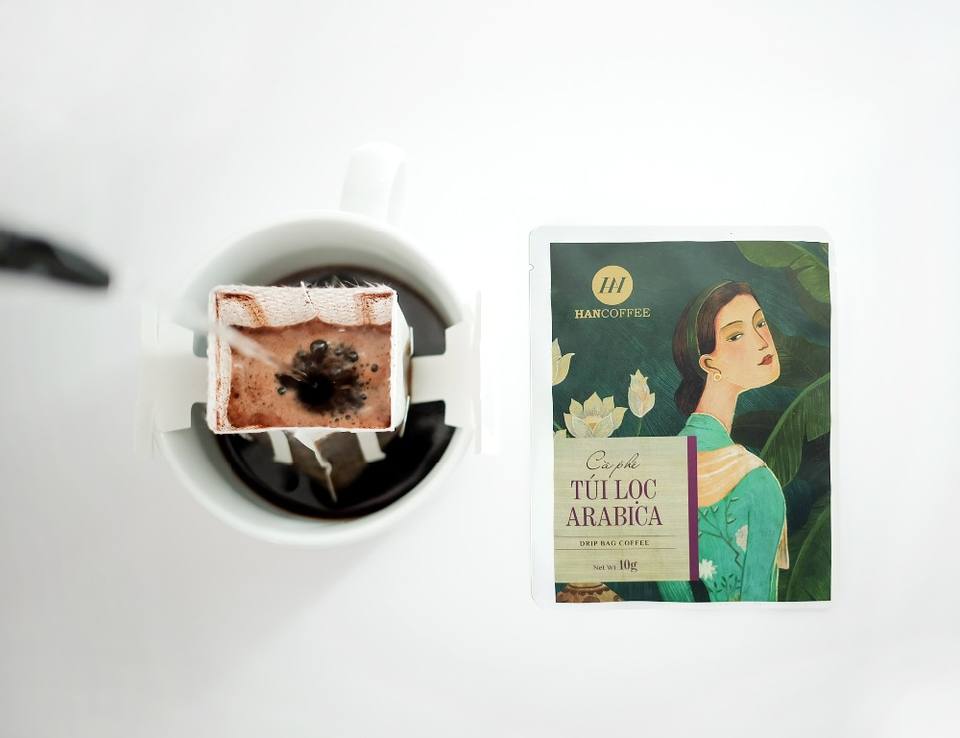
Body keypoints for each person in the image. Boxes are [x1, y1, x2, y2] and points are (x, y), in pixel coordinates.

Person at [658, 281, 788, 602]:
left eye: (760, 323)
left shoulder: (663, 467)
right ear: (708, 363)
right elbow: (759, 606)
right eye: (735, 335)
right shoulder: (757, 482)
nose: (762, 342)